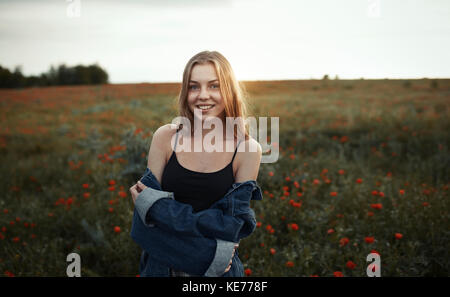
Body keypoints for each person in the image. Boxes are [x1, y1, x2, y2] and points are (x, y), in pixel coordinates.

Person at [129, 50, 262, 276]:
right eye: (193, 86)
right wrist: (208, 255)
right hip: (163, 269)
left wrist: (158, 208)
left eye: (214, 86)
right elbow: (142, 226)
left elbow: (232, 226)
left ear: (228, 90)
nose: (202, 95)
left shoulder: (247, 149)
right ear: (185, 92)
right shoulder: (165, 138)